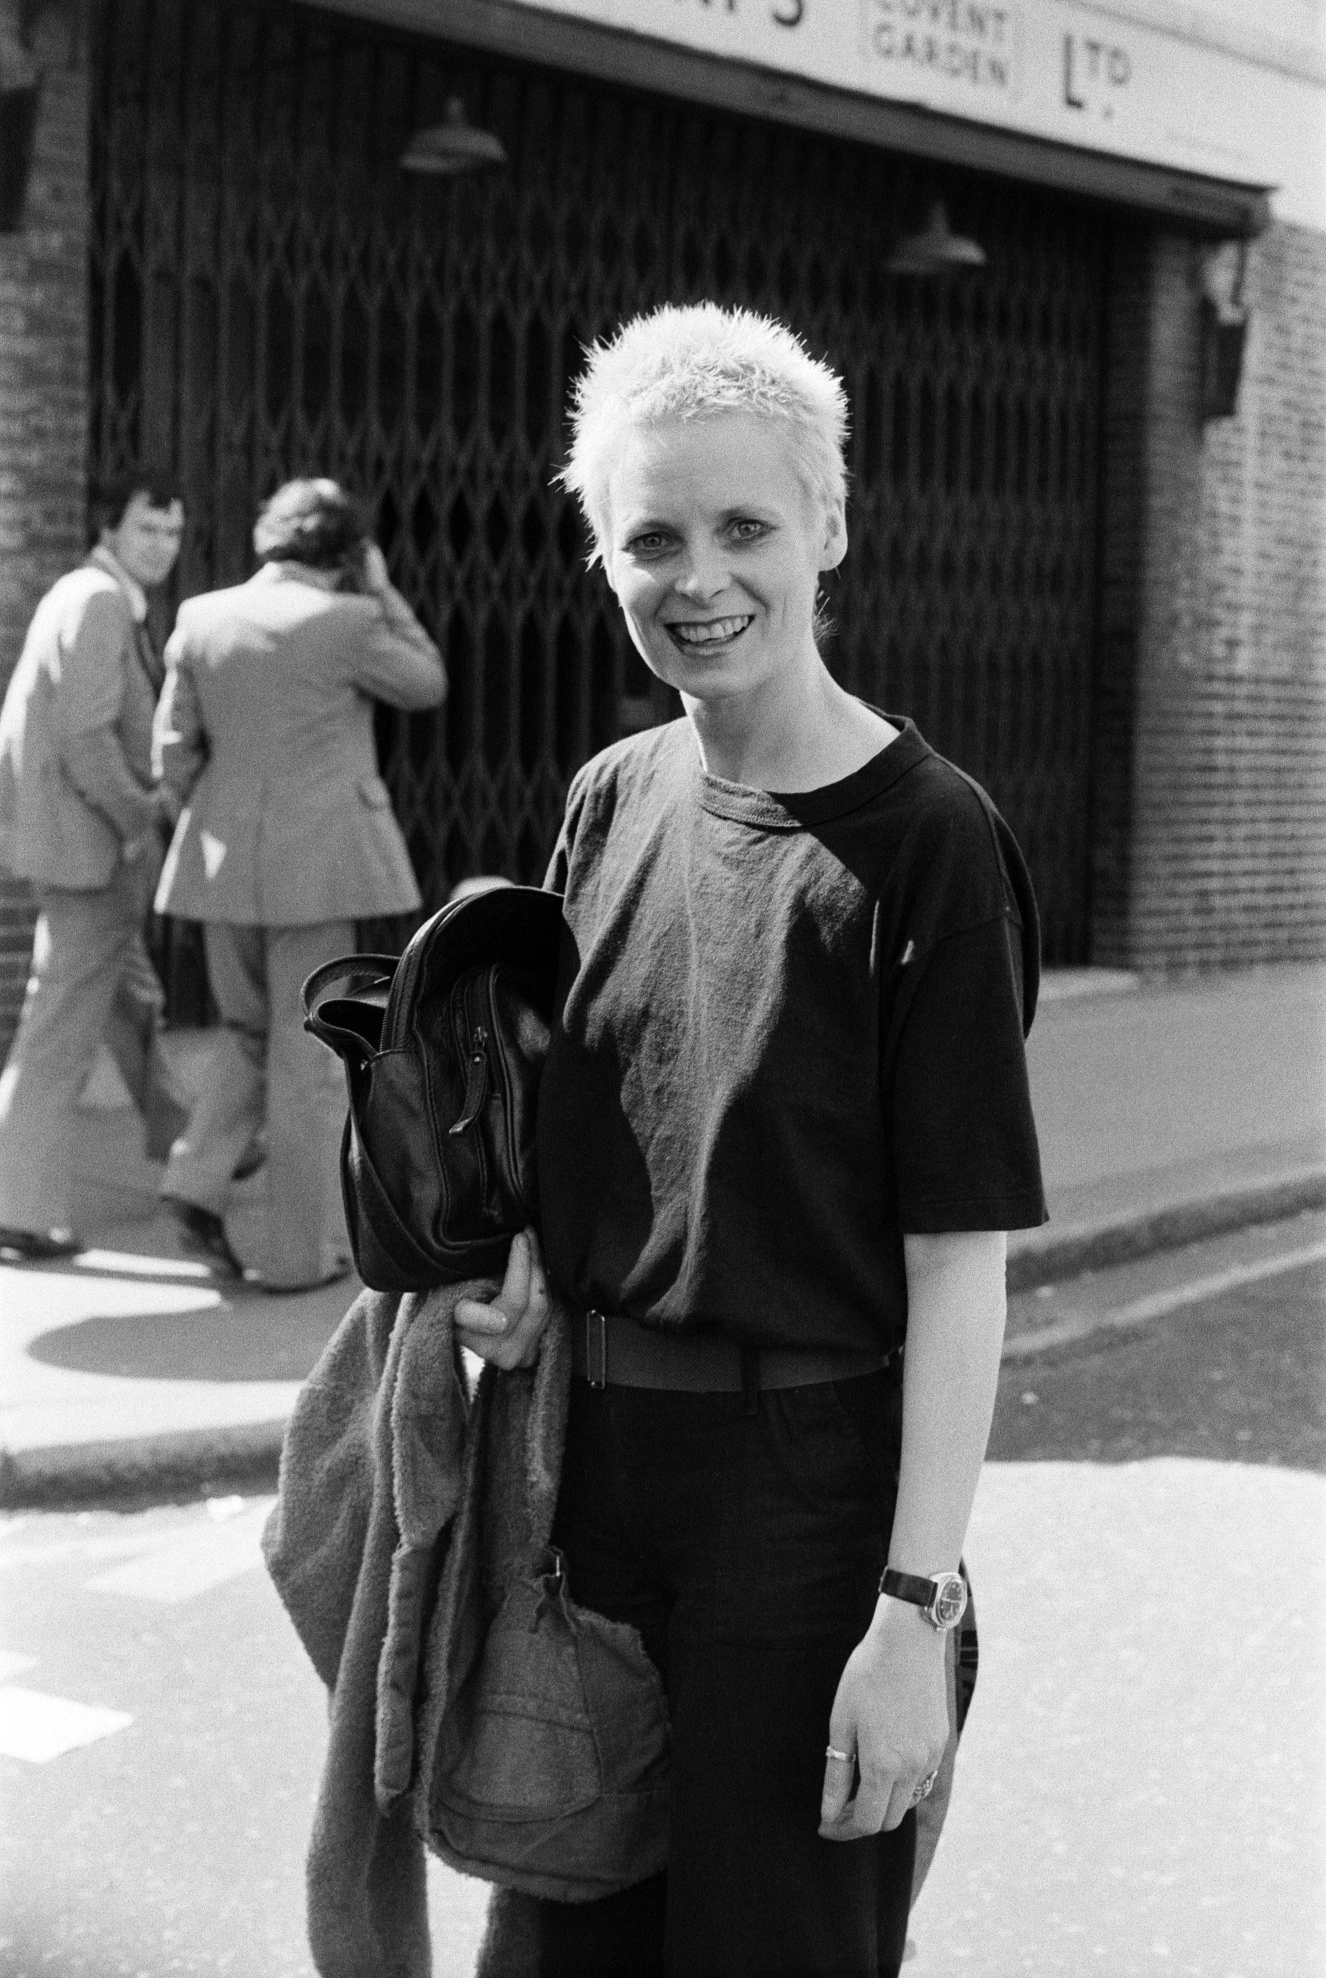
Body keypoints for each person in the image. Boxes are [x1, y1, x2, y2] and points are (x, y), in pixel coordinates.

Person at [451, 305, 1048, 1977]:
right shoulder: (611, 793)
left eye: (744, 528)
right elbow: (590, 1107)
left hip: (803, 1500)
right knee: (558, 1943)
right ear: (600, 551)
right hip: (594, 1471)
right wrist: (521, 1261)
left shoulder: (927, 843)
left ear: (829, 527)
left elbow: (960, 1262)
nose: (695, 576)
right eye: (651, 536)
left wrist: (913, 1608)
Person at [152, 478, 446, 1292]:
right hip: (318, 867)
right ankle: (297, 1256)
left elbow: (172, 750)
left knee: (246, 1032)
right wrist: (383, 591)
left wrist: (202, 822)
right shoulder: (350, 622)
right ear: (350, 553)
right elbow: (426, 682)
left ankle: (194, 1183)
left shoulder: (200, 617)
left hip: (216, 863)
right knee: (308, 1056)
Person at [0, 471, 189, 1260]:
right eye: (148, 529)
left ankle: (193, 1142)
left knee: (128, 996)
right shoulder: (100, 602)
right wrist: (139, 818)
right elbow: (86, 737)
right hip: (95, 852)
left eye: (174, 533)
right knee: (59, 1029)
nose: (163, 547)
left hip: (77, 848)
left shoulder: (86, 598)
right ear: (109, 530)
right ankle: (18, 1206)